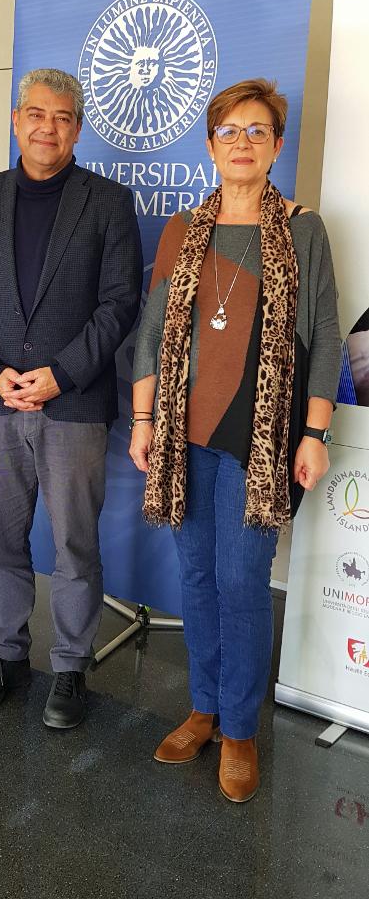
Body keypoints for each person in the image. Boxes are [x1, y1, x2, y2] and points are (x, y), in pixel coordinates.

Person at [130, 79, 341, 801]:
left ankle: (240, 731)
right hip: (182, 436)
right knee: (194, 578)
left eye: (257, 131)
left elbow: (326, 342)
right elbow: (152, 335)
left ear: (276, 146)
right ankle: (204, 708)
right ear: (210, 145)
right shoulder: (181, 229)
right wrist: (141, 422)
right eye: (229, 131)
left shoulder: (302, 230)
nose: (242, 142)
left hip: (263, 442)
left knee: (241, 581)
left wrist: (313, 432)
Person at [0, 68, 143, 729]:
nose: (46, 127)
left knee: (73, 546)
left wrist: (61, 373)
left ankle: (68, 669)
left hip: (73, 406)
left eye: (61, 117)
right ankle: (3, 654)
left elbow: (120, 304)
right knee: (1, 540)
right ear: (15, 120)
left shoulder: (108, 202)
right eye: (35, 113)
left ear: (77, 128)